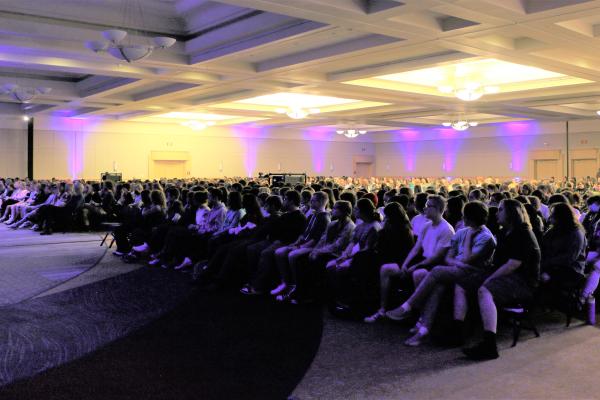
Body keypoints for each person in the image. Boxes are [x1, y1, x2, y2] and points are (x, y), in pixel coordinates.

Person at [462, 199, 541, 360]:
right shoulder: (505, 232)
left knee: (485, 290)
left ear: (512, 213)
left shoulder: (523, 233)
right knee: (463, 283)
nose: (496, 213)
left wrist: (488, 278)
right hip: (507, 275)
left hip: (523, 281)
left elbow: (513, 264)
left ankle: (489, 345)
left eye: (500, 210)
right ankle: (459, 329)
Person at [372, 195, 454, 322]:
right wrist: (405, 264)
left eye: (428, 206)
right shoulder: (427, 225)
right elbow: (416, 248)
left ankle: (419, 317)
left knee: (418, 273)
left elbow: (437, 257)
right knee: (385, 269)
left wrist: (415, 266)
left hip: (436, 264)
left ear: (437, 209)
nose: (424, 208)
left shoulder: (447, 229)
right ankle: (382, 309)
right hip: (423, 260)